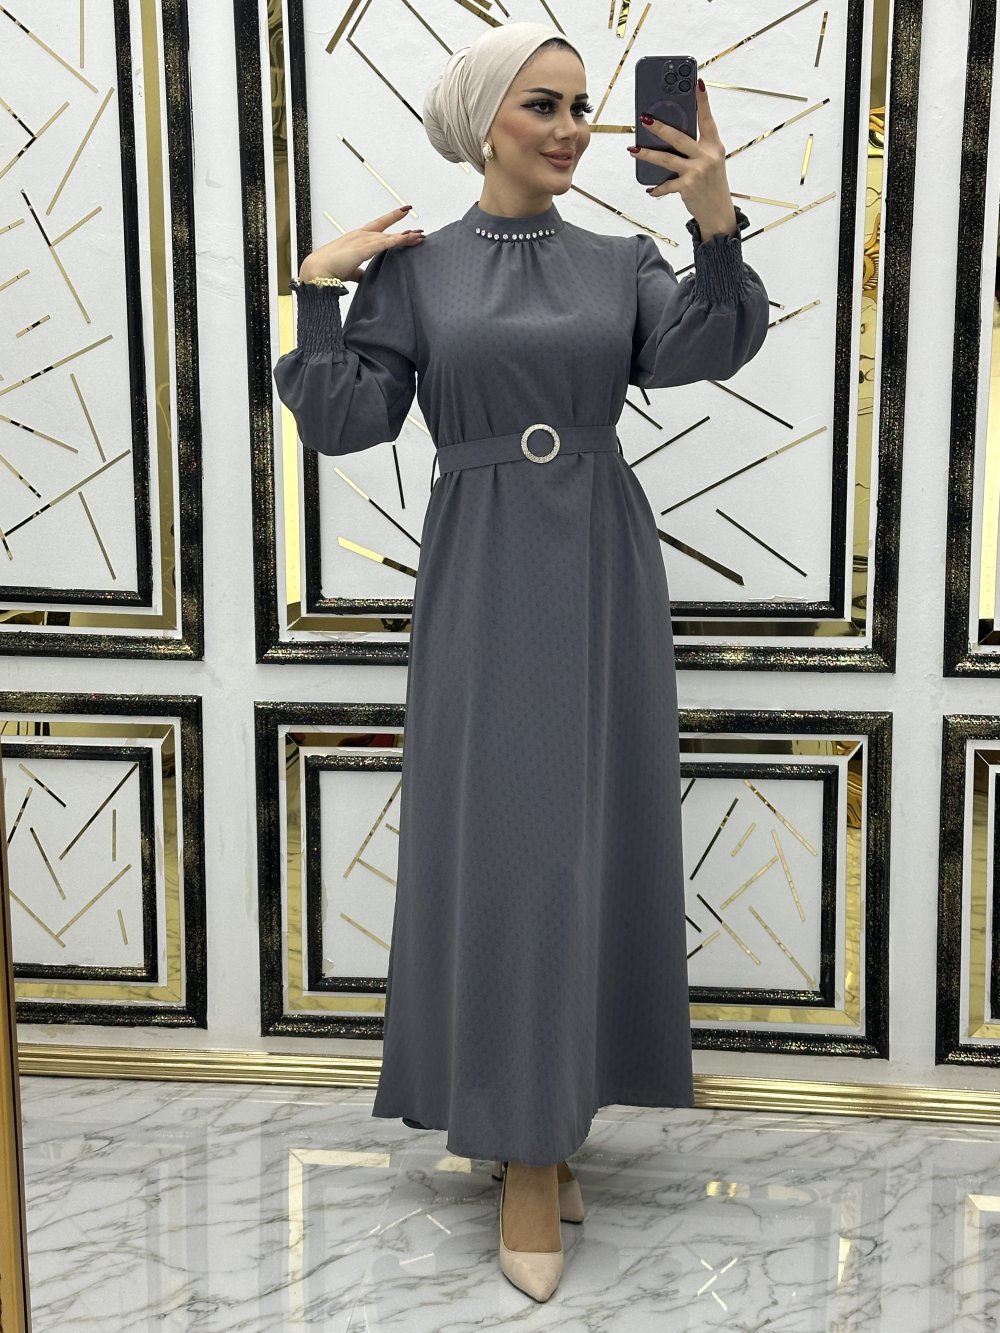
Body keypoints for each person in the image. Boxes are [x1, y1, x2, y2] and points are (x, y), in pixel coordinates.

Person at [273, 22, 769, 1303]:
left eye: (581, 105)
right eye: (541, 105)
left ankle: (544, 1123)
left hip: (600, 565)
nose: (570, 128)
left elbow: (704, 347)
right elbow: (345, 420)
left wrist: (714, 219)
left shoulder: (620, 260)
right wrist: (318, 288)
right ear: (481, 120)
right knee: (506, 846)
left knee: (584, 838)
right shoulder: (420, 272)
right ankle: (525, 1146)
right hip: (484, 567)